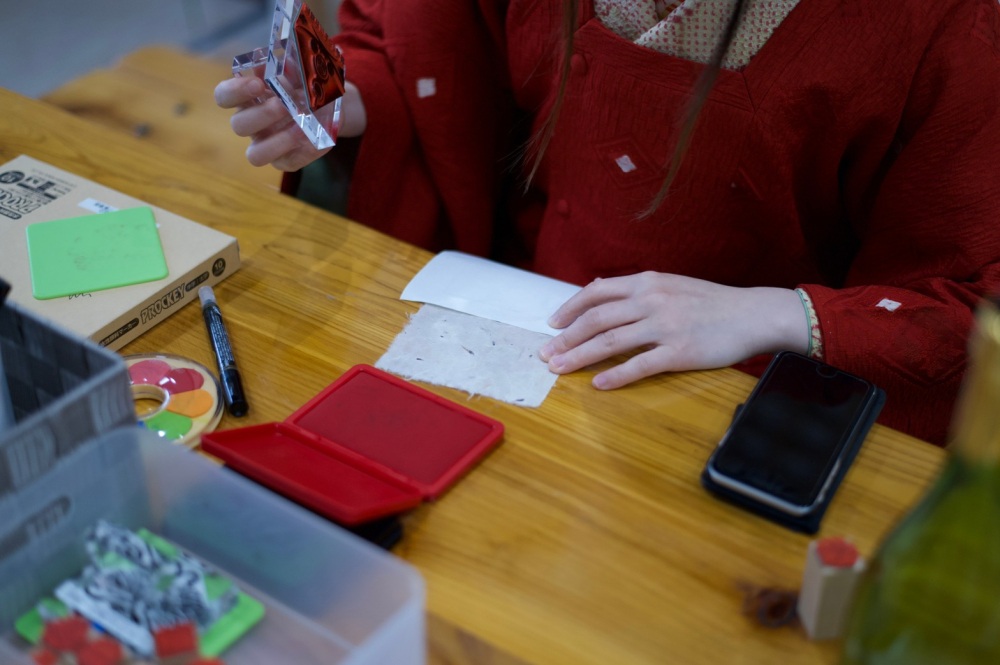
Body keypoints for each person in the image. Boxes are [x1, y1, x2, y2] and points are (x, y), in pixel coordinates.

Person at [215, 0, 1000, 446]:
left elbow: (970, 304)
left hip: (731, 407)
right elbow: (439, 51)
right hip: (515, 326)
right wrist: (355, 104)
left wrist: (774, 312)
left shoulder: (946, 22)